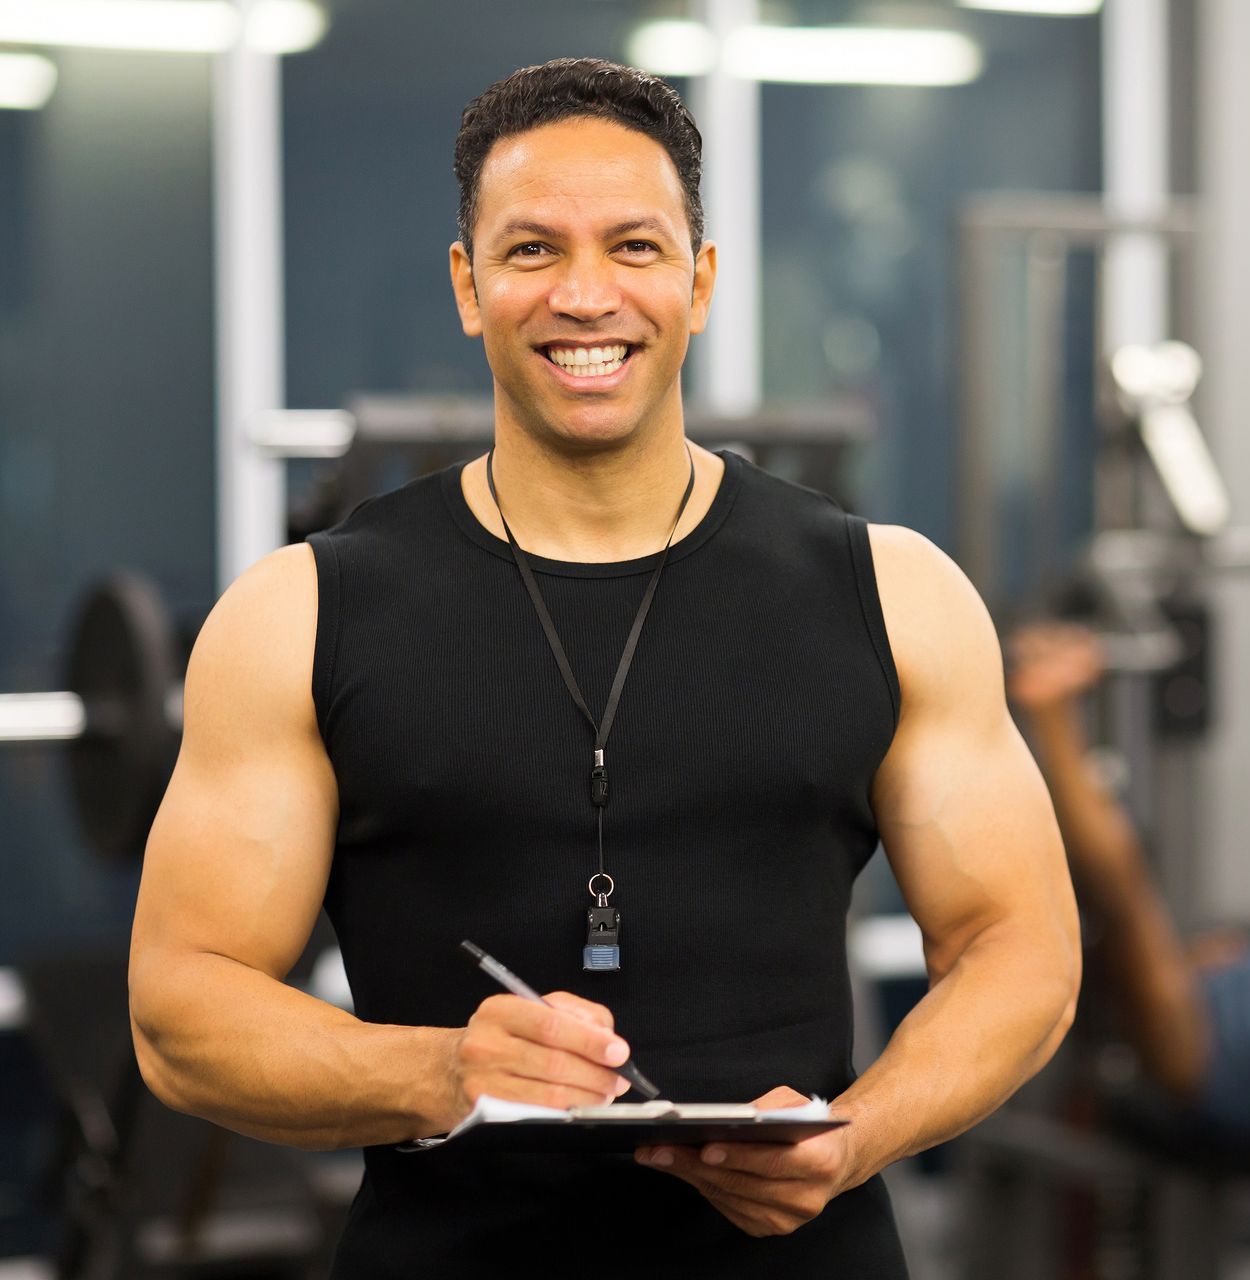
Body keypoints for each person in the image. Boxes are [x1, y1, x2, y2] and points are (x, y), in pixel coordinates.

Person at [129, 58, 1080, 1276]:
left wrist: (854, 1138)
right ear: (470, 288)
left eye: (633, 247)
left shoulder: (890, 591)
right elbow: (179, 1009)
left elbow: (1022, 951)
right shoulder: (302, 610)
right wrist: (442, 1069)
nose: (586, 296)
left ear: (699, 278)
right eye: (532, 252)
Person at [1007, 621, 1250, 1140]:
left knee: (1122, 892)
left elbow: (1120, 892)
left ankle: (1049, 710)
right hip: (1222, 980)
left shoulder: (1194, 1054)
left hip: (1190, 1044)